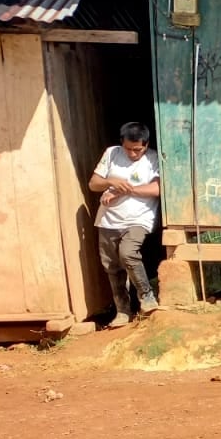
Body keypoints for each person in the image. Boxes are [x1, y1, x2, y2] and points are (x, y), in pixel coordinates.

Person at [89, 122, 162, 327]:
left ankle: (147, 296)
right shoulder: (112, 153)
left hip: (138, 218)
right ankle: (122, 311)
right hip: (108, 219)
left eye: (137, 149)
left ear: (146, 145)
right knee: (112, 266)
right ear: (121, 143)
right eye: (128, 149)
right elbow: (94, 183)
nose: (132, 153)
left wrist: (123, 189)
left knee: (128, 253)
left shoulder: (153, 158)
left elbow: (156, 189)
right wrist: (110, 181)